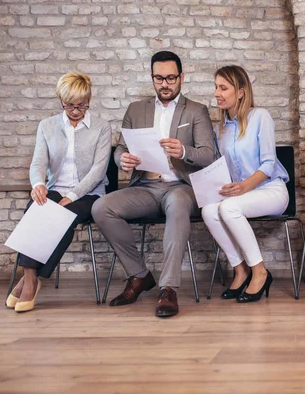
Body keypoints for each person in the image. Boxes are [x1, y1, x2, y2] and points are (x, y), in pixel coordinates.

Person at [92, 51, 215, 318]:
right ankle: (139, 275)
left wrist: (183, 150)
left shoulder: (196, 110)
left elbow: (209, 155)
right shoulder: (136, 110)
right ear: (152, 78)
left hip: (180, 187)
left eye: (171, 77)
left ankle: (168, 288)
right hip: (145, 187)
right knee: (101, 208)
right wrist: (121, 158)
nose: (165, 84)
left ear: (182, 77)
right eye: (159, 78)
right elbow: (121, 147)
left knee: (179, 203)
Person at [6, 72, 112, 312]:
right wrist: (38, 185)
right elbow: (37, 164)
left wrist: (72, 196)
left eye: (81, 105)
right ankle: (31, 276)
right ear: (60, 101)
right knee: (36, 208)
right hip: (56, 188)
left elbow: (98, 170)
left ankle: (29, 281)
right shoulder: (47, 126)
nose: (75, 111)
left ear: (89, 99)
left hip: (89, 193)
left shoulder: (102, 127)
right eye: (69, 105)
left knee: (64, 216)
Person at [201, 65, 289, 303]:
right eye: (216, 87)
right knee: (208, 210)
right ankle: (241, 270)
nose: (217, 93)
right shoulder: (221, 130)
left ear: (240, 92)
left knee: (229, 208)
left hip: (271, 190)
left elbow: (268, 164)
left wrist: (242, 188)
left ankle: (260, 272)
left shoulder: (260, 117)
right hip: (242, 194)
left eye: (223, 88)